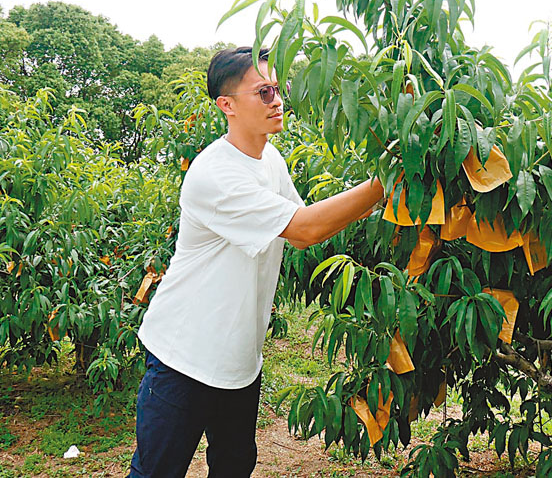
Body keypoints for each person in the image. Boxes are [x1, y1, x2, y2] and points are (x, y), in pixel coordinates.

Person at [128, 46, 384, 477]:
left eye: (278, 90)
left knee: (233, 467)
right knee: (156, 472)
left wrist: (390, 200)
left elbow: (304, 228)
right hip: (183, 357)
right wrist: (385, 182)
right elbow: (305, 228)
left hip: (239, 362)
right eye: (263, 92)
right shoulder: (216, 174)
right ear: (226, 105)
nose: (277, 101)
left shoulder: (269, 158)